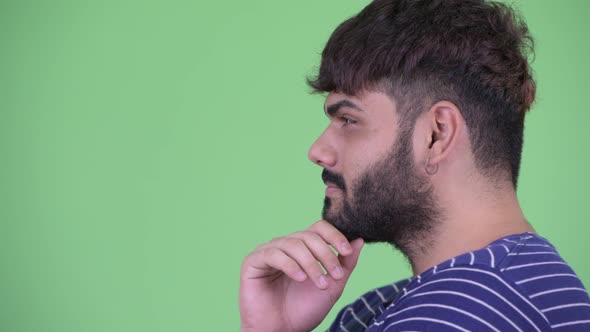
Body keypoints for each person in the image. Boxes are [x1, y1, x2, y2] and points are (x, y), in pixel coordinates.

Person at [239, 0, 590, 331]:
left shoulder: (460, 313)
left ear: (436, 134)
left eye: (348, 120)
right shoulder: (506, 290)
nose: (318, 151)